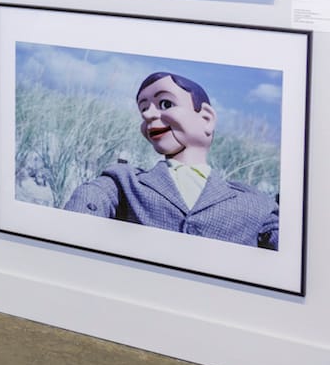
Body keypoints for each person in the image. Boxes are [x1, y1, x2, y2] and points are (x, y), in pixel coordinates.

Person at [63, 71, 278, 249]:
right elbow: (92, 198)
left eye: (165, 103)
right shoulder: (125, 180)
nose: (148, 115)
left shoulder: (254, 201)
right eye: (143, 108)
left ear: (206, 119)